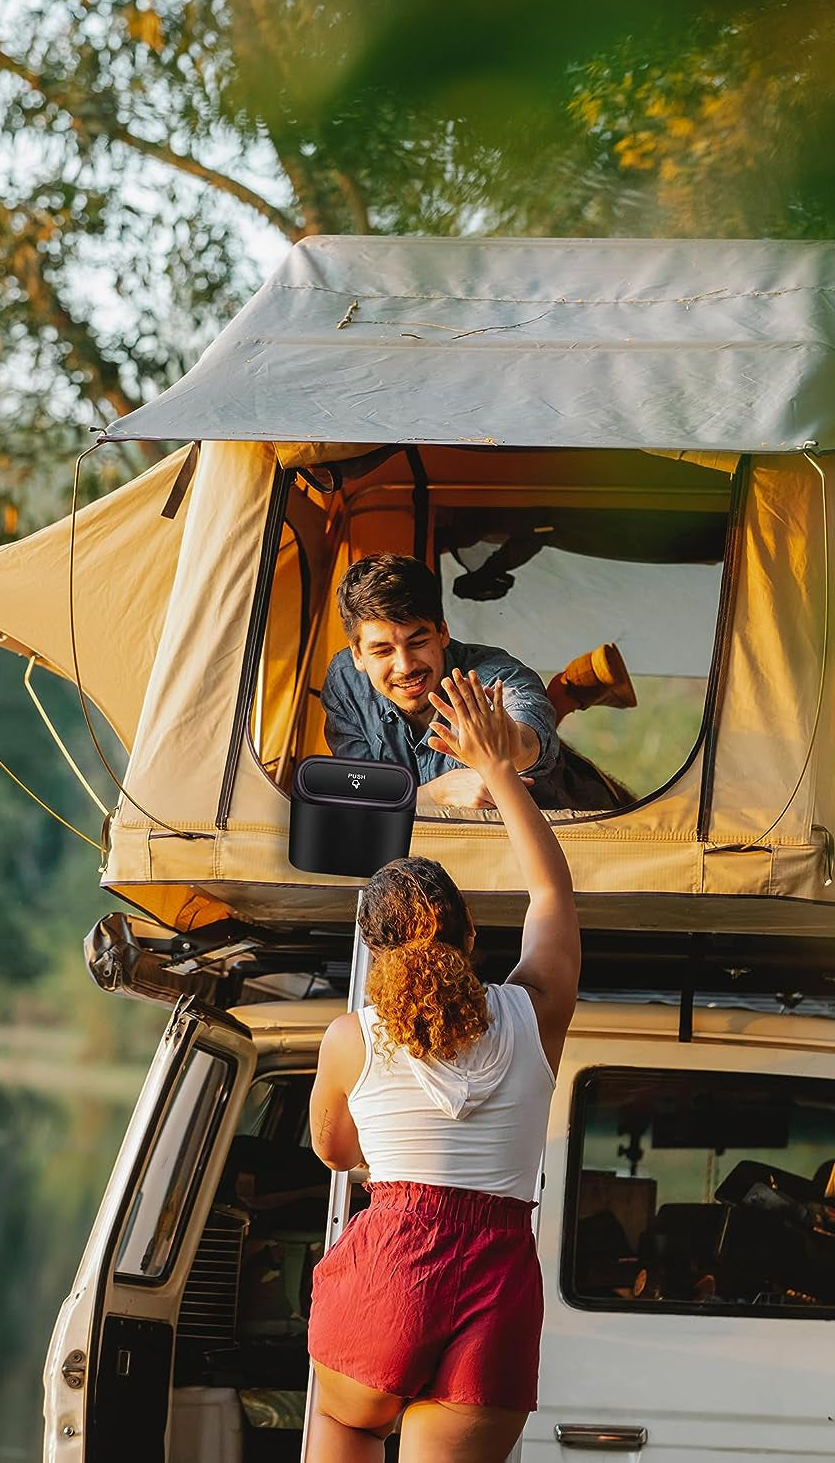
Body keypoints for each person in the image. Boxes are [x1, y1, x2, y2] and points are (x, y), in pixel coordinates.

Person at [305, 666, 581, 1461]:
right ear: (469, 937)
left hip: (392, 1256)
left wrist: (375, 1164)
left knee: (345, 1425)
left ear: (374, 955)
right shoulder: (533, 1013)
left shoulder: (352, 1039)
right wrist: (500, 771)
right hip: (496, 1278)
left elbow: (333, 1149)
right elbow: (552, 898)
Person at [320, 553, 630, 810]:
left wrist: (507, 749)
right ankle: (567, 695)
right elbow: (358, 790)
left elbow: (527, 736)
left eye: (417, 642)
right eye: (383, 650)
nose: (405, 666)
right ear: (357, 654)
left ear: (442, 632)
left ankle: (563, 696)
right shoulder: (346, 680)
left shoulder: (497, 676)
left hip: (567, 834)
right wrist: (434, 795)